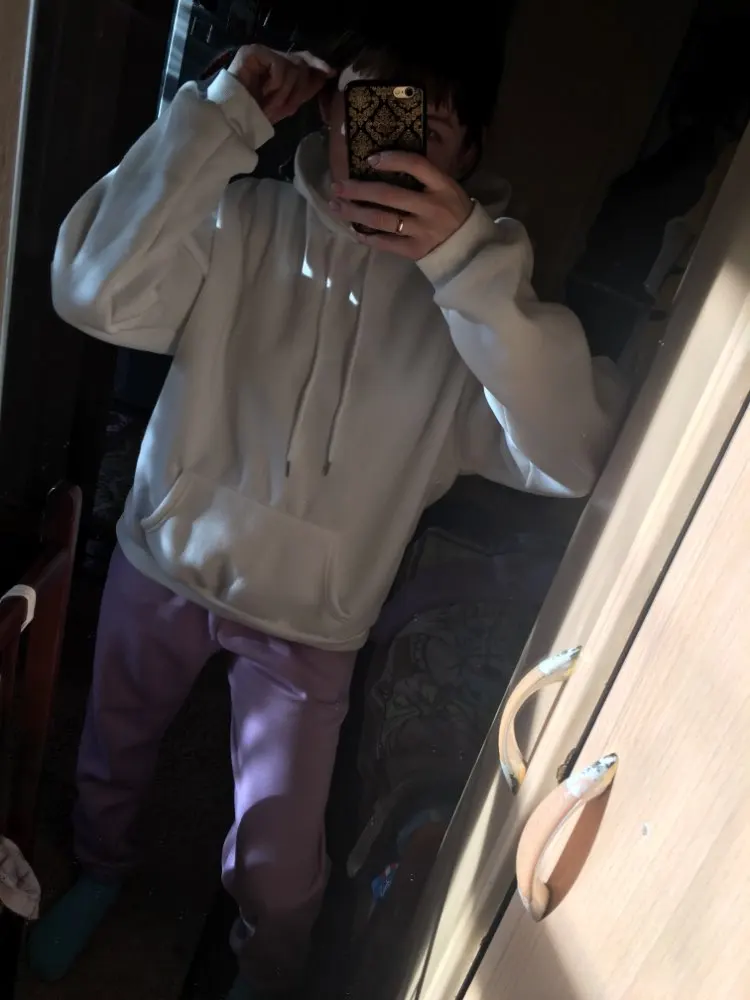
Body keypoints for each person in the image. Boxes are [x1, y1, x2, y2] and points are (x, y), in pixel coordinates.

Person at [29, 40, 625, 1000]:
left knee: (278, 855)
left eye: (426, 132)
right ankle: (101, 869)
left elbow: (574, 454)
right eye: (376, 114)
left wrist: (467, 265)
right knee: (112, 747)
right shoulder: (242, 221)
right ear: (330, 115)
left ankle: (267, 974)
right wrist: (225, 115)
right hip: (165, 558)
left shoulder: (474, 307)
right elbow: (90, 288)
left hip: (312, 622)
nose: (393, 148)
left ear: (469, 156)